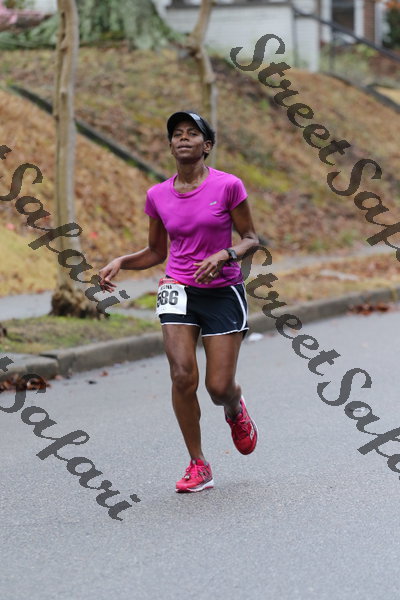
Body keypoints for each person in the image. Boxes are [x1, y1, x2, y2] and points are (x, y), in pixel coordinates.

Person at [99, 111, 260, 493]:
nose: (183, 138)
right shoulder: (157, 195)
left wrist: (225, 255)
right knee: (182, 376)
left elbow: (251, 238)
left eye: (192, 133)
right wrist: (122, 261)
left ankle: (234, 406)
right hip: (177, 288)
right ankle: (198, 463)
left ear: (207, 146)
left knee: (218, 387)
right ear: (171, 146)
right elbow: (157, 251)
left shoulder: (228, 186)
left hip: (222, 291)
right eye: (177, 134)